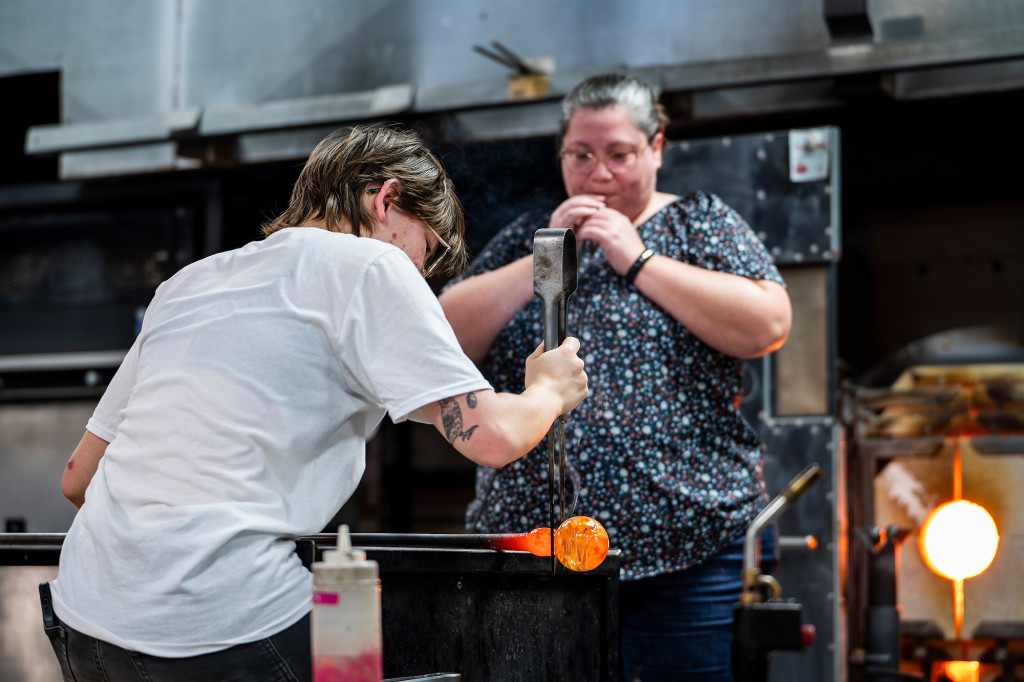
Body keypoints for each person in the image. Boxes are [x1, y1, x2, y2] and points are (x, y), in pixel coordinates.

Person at [42, 123, 588, 682]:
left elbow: (80, 479)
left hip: (84, 618)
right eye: (425, 251)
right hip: (225, 626)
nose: (420, 273)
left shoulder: (188, 282)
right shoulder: (374, 267)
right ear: (387, 198)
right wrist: (548, 389)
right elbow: (492, 435)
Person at [438, 74, 792, 682]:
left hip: (689, 547)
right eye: (581, 156)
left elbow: (767, 323)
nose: (599, 174)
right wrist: (547, 255)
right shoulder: (533, 234)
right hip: (536, 551)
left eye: (620, 155)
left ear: (657, 147)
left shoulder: (698, 223)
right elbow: (441, 334)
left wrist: (638, 258)